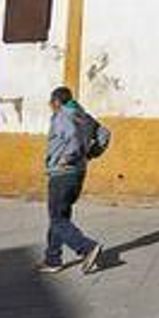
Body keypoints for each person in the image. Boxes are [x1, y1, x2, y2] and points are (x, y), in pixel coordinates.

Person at [40, 86, 104, 274]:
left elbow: (73, 139)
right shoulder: (83, 116)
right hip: (78, 173)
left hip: (62, 173)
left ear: (57, 101)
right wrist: (92, 153)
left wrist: (66, 158)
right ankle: (53, 259)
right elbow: (104, 134)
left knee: (57, 218)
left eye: (51, 103)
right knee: (60, 217)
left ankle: (87, 248)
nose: (51, 106)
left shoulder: (63, 116)